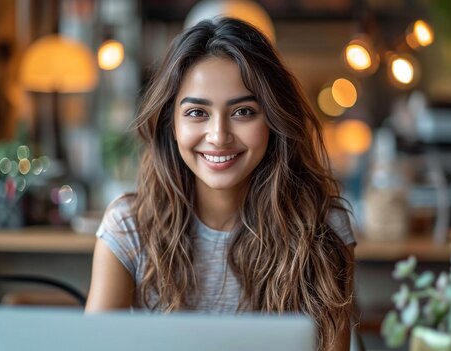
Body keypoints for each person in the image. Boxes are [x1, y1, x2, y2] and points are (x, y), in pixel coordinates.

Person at [86, 17, 356, 351]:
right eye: (197, 113)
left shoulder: (322, 225)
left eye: (243, 112)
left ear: (273, 119)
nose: (218, 137)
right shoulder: (128, 227)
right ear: (171, 122)